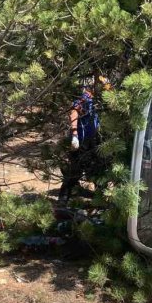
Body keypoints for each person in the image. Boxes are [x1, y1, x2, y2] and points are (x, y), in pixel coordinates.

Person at [57, 76, 110, 206]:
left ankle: (101, 199)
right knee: (75, 170)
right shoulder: (85, 97)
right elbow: (74, 112)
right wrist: (74, 134)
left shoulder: (100, 100)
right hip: (81, 140)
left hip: (95, 140)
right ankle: (63, 199)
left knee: (97, 170)